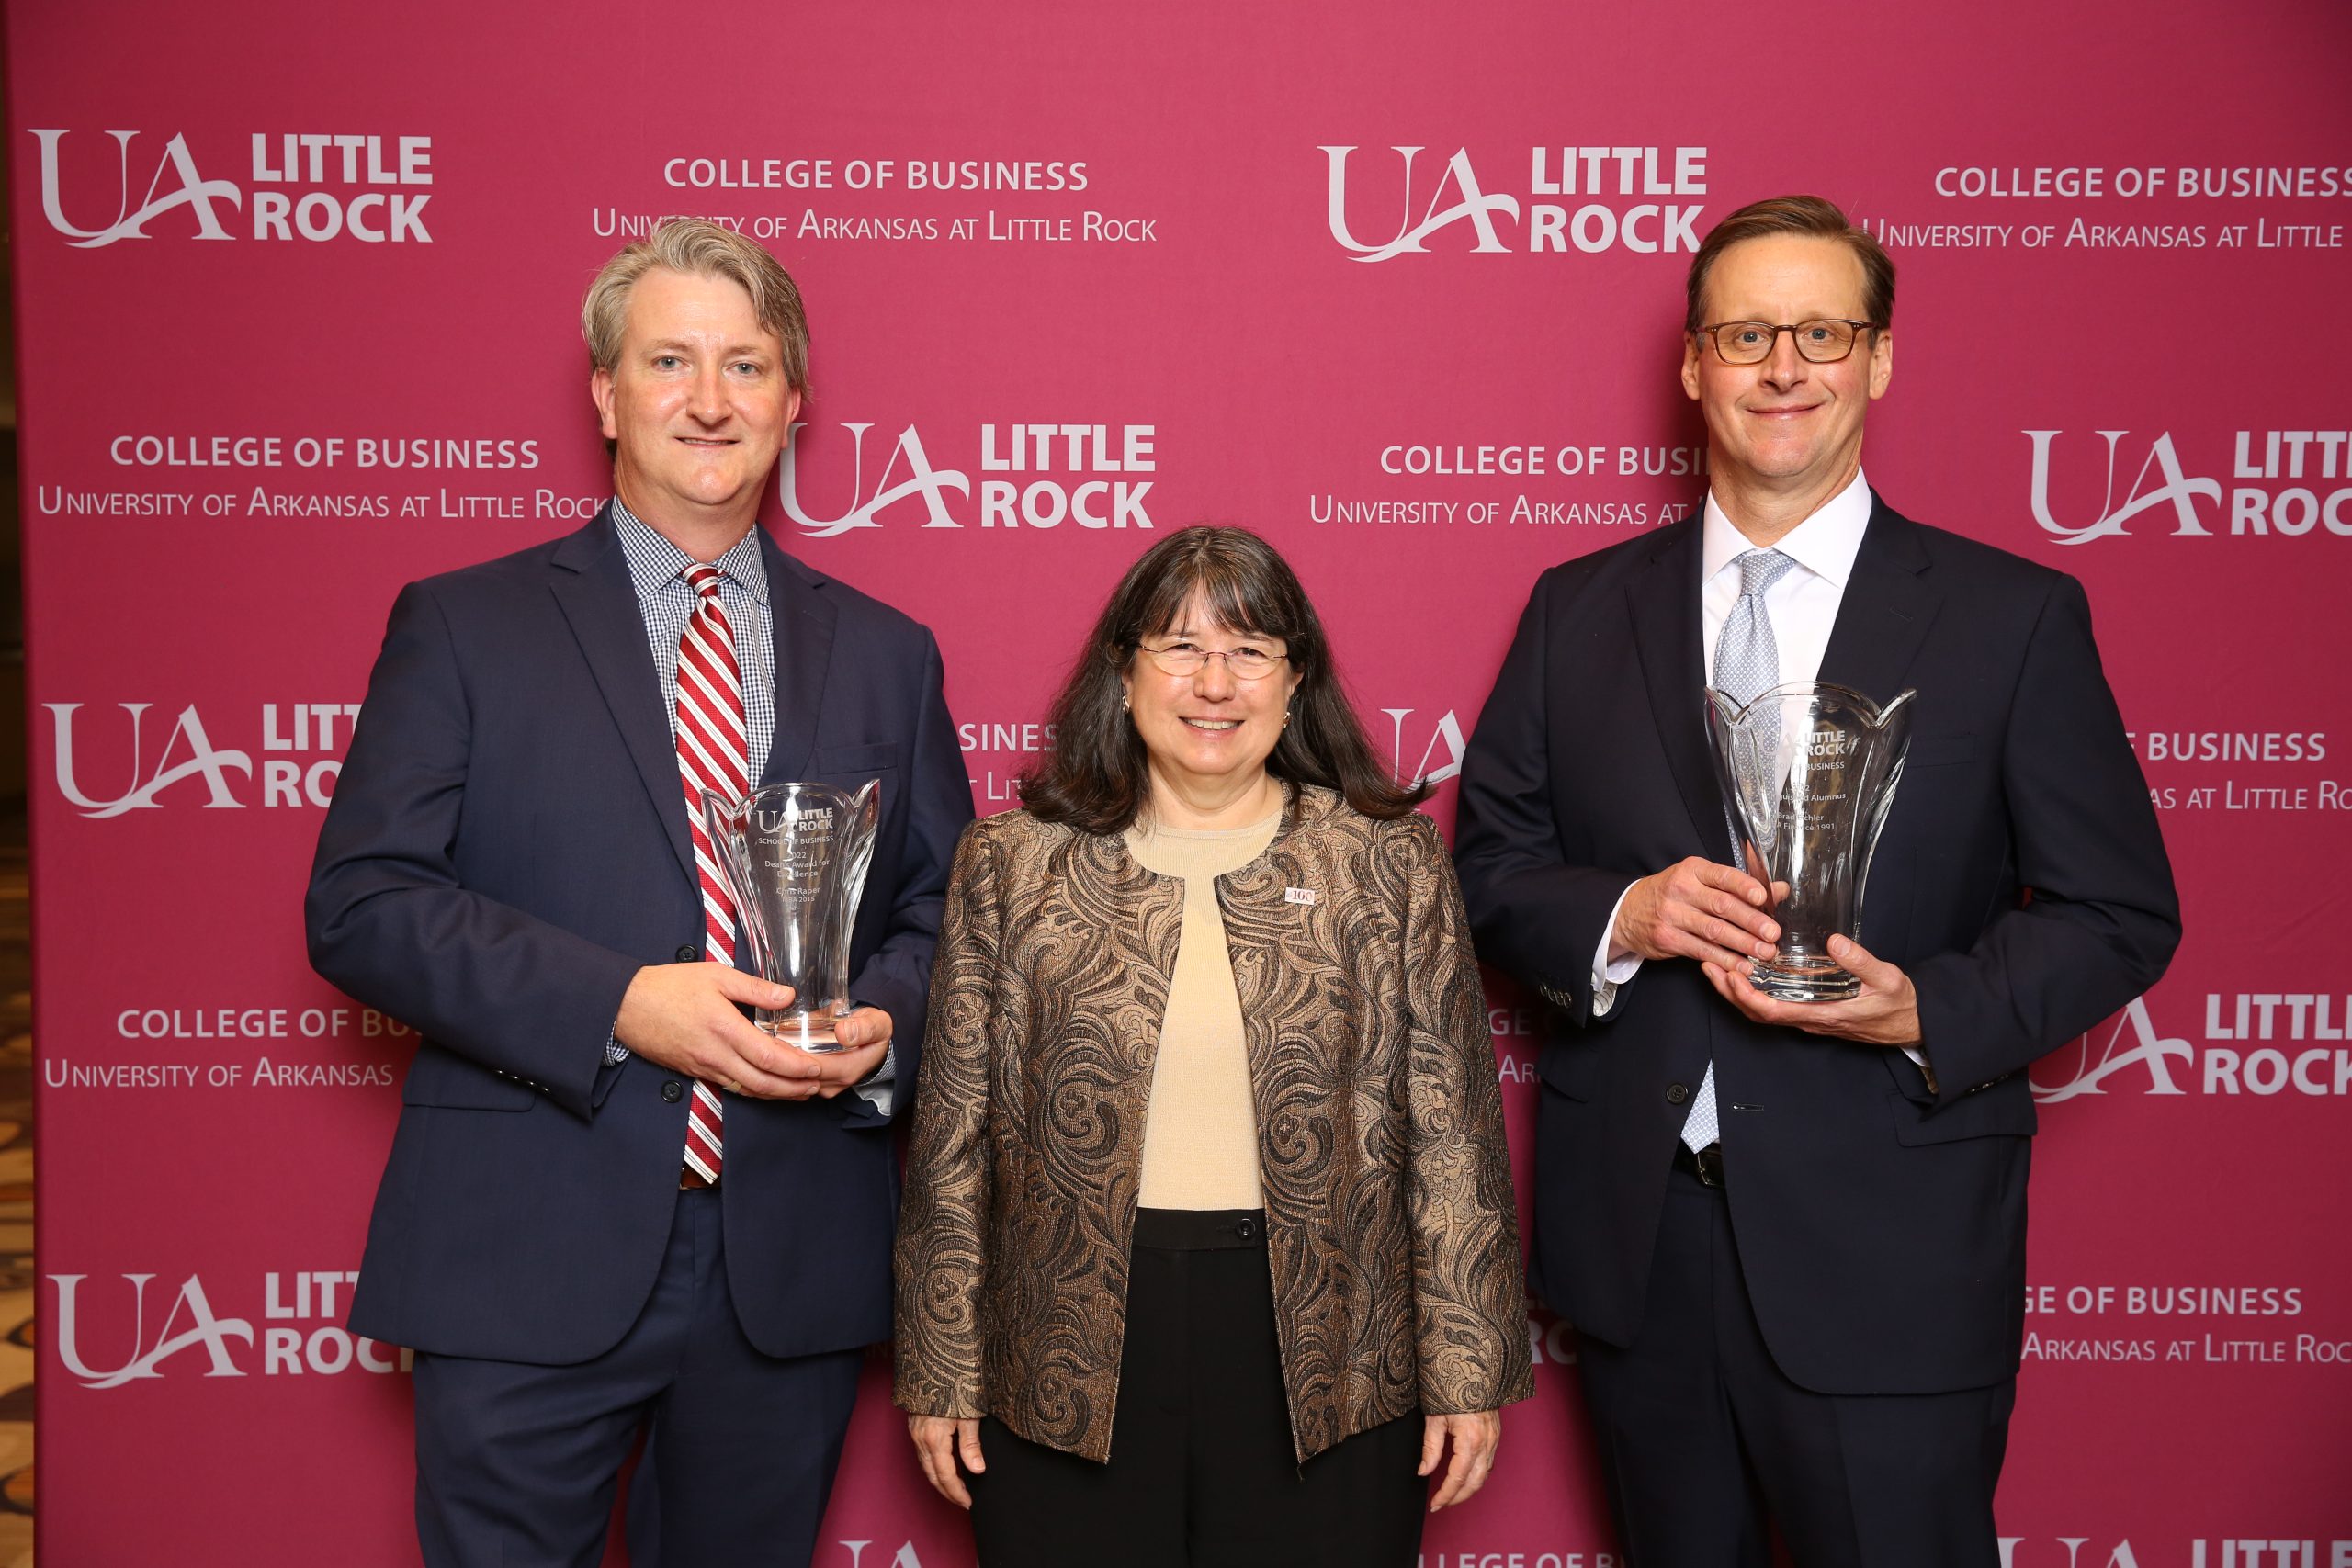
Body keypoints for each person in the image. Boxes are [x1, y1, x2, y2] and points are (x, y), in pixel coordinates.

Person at [1453, 195, 2180, 1565]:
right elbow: (1487, 868)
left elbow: (2120, 911)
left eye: (1822, 331)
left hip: (1892, 1243)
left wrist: (1928, 1009)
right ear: (1693, 364)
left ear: (1879, 357)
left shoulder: (2013, 616)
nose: (1784, 366)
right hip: (1645, 1249)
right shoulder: (1576, 607)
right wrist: (1628, 912)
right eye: (1745, 333)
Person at [305, 219, 971, 1567]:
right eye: (669, 359)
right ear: (606, 392)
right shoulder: (465, 622)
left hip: (785, 1260)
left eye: (745, 363)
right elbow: (363, 902)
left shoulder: (890, 653)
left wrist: (887, 1017)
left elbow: (942, 908)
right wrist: (620, 1003)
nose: (710, 399)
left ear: (795, 398)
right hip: (523, 1245)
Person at [893, 525, 1532, 1567]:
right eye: (1180, 647)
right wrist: (939, 1364)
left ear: (1295, 681)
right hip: (1064, 1344)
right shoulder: (1013, 864)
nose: (1214, 683)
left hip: (1333, 1351)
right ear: (1124, 668)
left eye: (1250, 650)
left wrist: (1468, 1366)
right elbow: (955, 1139)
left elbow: (1452, 1132)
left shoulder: (1387, 863)